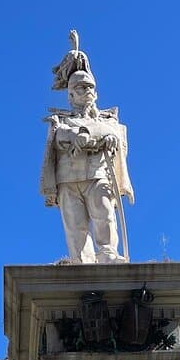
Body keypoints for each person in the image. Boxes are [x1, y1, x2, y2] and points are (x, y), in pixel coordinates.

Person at [40, 53, 133, 265]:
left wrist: (104, 139)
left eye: (90, 87)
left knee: (104, 214)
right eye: (81, 88)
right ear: (71, 95)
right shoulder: (62, 121)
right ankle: (81, 261)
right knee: (75, 224)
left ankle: (107, 253)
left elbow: (113, 135)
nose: (87, 91)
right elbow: (60, 136)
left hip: (98, 173)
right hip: (68, 178)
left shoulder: (107, 120)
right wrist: (77, 136)